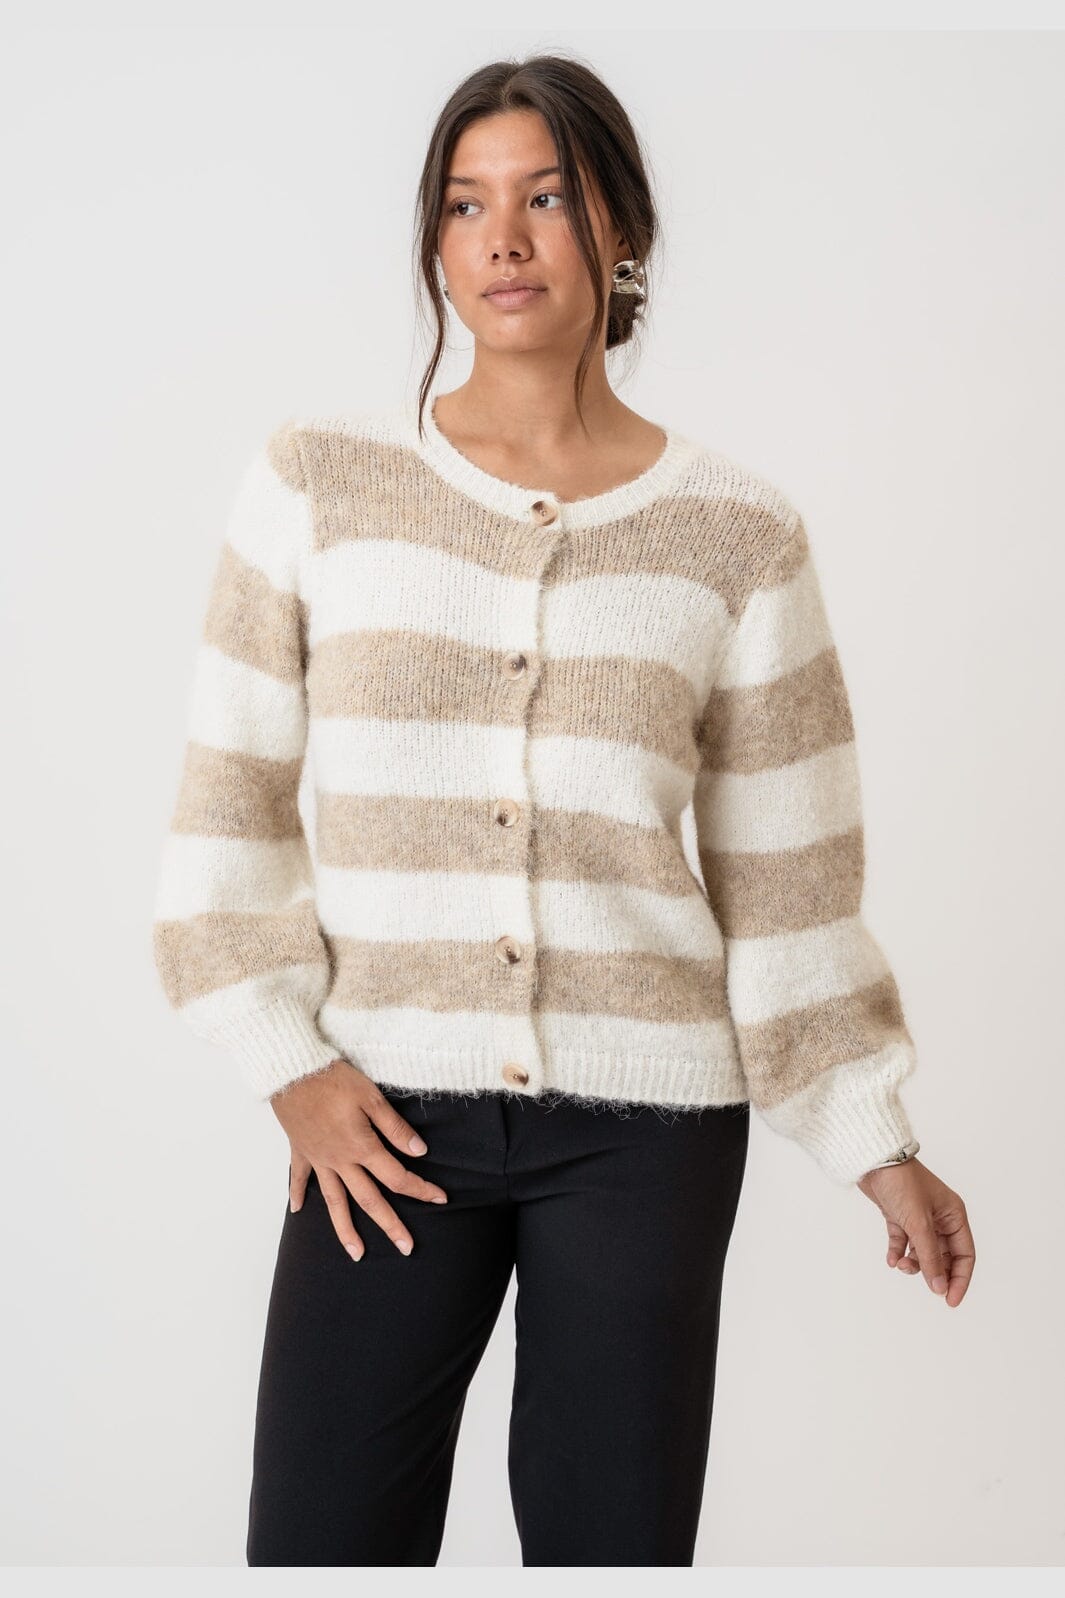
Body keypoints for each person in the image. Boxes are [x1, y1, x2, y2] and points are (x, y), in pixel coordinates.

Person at [152, 53, 976, 1568]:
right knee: (322, 1545)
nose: (505, 238)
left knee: (613, 1552)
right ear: (434, 242)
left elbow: (789, 877)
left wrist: (874, 1134)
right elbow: (227, 809)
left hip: (647, 1132)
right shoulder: (319, 485)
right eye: (467, 205)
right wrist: (290, 1064)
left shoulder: (737, 534)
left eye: (546, 196)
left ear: (621, 230)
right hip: (381, 1118)